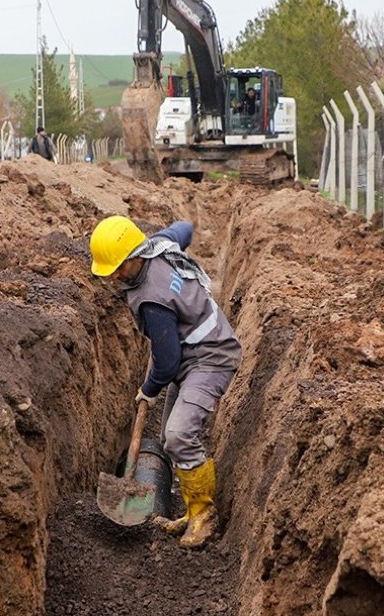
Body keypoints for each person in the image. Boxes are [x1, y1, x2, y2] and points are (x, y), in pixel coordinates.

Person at [89, 215, 241, 548]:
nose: (114, 277)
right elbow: (184, 227)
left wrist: (149, 389)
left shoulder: (151, 300)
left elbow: (168, 361)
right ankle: (190, 506)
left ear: (135, 257)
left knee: (178, 435)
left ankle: (204, 516)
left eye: (118, 268)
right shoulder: (161, 244)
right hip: (196, 350)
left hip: (210, 358)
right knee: (166, 437)